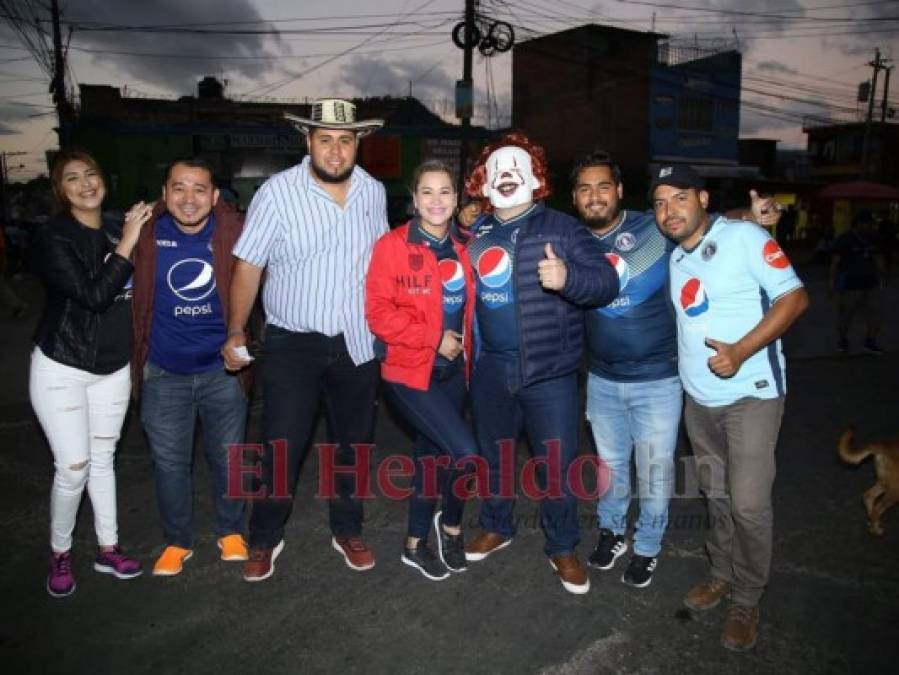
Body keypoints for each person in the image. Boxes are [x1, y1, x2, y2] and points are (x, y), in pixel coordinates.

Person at [571, 151, 781, 589]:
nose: (595, 197)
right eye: (585, 189)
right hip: (602, 379)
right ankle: (612, 531)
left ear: (620, 191)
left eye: (603, 186)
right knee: (610, 465)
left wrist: (750, 215)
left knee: (654, 470)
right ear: (574, 198)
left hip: (659, 380)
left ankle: (647, 546)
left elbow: (703, 223)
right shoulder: (574, 239)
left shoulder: (654, 226)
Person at [224, 98, 388, 581]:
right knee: (282, 445)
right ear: (307, 140)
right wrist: (236, 328)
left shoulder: (373, 192)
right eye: (325, 139)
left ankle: (348, 528)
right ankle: (264, 537)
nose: (335, 151)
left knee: (353, 445)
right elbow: (248, 265)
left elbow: (380, 266)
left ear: (357, 142)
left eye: (345, 140)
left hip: (358, 343)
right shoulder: (276, 193)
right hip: (293, 344)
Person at [652, 164, 808, 651]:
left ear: (701, 198)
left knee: (748, 504)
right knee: (716, 495)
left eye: (679, 198)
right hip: (698, 400)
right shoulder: (677, 254)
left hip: (753, 394)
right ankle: (720, 574)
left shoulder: (743, 238)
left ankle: (747, 596)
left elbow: (796, 298)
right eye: (659, 202)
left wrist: (740, 350)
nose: (668, 210)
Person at [461, 133, 619, 595]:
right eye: (497, 170)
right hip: (490, 367)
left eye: (517, 167)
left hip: (548, 371)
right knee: (496, 458)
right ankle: (497, 525)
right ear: (484, 183)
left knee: (556, 465)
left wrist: (568, 277)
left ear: (535, 179)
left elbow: (606, 282)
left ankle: (563, 546)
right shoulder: (478, 231)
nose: (507, 175)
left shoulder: (563, 228)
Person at [30, 149, 152, 597]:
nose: (85, 185)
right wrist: (126, 243)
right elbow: (94, 296)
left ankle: (108, 547)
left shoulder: (121, 221)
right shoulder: (53, 237)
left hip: (112, 367)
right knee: (74, 467)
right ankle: (59, 551)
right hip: (63, 365)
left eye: (92, 175)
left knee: (104, 460)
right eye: (72, 179)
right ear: (61, 191)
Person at [131, 158, 252, 576]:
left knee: (229, 459)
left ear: (215, 196)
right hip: (163, 372)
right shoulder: (143, 233)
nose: (189, 199)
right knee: (169, 463)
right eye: (179, 188)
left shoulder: (236, 231)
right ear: (164, 193)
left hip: (223, 371)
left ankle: (231, 531)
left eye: (200, 189)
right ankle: (177, 540)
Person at [366, 160, 478, 580]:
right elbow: (377, 314)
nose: (436, 200)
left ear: (456, 199)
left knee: (431, 459)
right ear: (414, 199)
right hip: (409, 373)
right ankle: (450, 524)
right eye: (426, 192)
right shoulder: (392, 246)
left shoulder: (465, 247)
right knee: (466, 453)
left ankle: (415, 543)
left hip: (455, 374)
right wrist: (433, 338)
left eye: (445, 191)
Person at [830, 211, 885, 355]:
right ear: (859, 224)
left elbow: (879, 258)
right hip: (850, 284)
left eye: (870, 224)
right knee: (846, 315)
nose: (869, 227)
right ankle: (843, 341)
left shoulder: (873, 238)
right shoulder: (846, 239)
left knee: (876, 315)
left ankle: (870, 342)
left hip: (870, 283)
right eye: (867, 224)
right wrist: (832, 281)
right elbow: (835, 261)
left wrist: (882, 275)